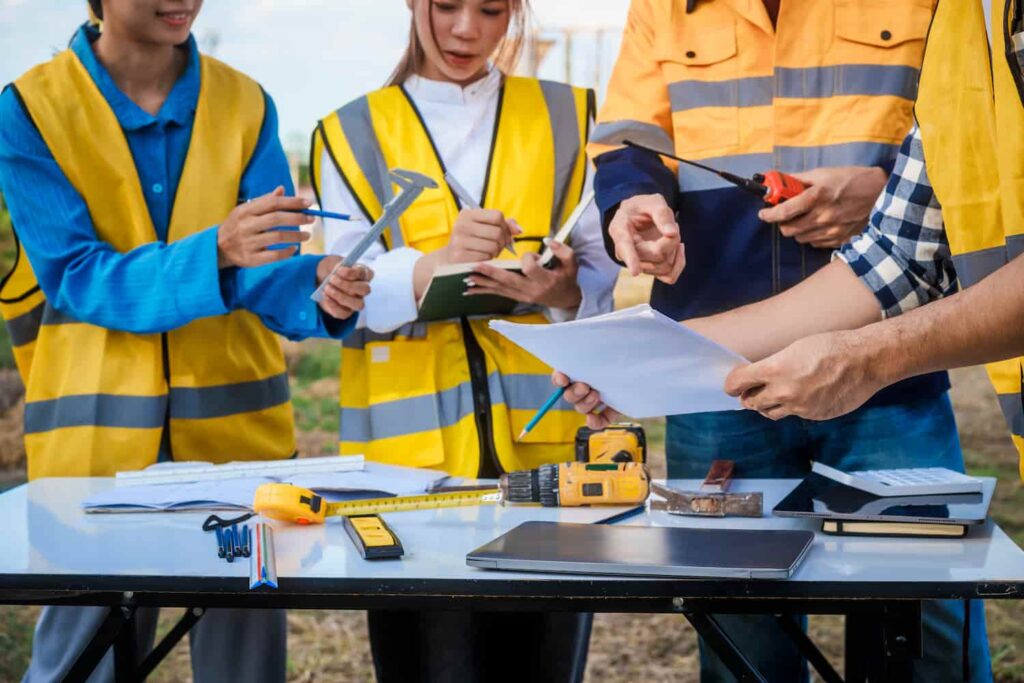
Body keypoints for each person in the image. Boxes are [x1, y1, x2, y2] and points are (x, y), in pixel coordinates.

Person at [576, 0, 994, 680]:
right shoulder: (661, 6)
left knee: (925, 621)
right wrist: (633, 200)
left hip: (891, 355)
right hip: (716, 384)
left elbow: (963, 132)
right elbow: (628, 135)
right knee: (741, 631)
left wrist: (888, 192)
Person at [0, 1, 370, 680]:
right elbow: (78, 276)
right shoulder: (28, 109)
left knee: (244, 668)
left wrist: (317, 285)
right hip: (94, 455)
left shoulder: (246, 103)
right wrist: (218, 250)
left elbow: (266, 270)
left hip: (239, 453)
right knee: (82, 664)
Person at [311, 0, 619, 680]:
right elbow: (342, 291)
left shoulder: (573, 113)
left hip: (547, 469)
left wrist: (557, 289)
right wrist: (434, 263)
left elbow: (600, 275)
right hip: (406, 476)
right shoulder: (347, 131)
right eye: (446, 5)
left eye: (490, 9)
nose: (466, 29)